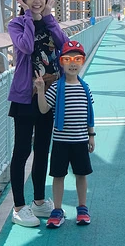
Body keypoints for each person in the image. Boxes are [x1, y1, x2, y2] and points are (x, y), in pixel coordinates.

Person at [7, 0, 68, 227]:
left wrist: (49, 18)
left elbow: (65, 46)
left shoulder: (49, 23)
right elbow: (27, 46)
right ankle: (19, 206)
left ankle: (39, 201)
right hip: (25, 96)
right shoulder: (16, 24)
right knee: (22, 150)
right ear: (22, 1)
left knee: (43, 148)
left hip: (49, 94)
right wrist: (32, 21)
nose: (37, 0)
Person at [34, 40, 95, 228]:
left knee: (81, 174)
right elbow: (44, 109)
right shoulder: (56, 88)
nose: (73, 63)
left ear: (82, 62)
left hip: (80, 140)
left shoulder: (85, 88)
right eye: (68, 59)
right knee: (58, 176)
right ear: (61, 62)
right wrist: (40, 90)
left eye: (77, 59)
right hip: (61, 141)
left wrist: (91, 135)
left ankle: (82, 208)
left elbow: (89, 114)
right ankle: (58, 209)